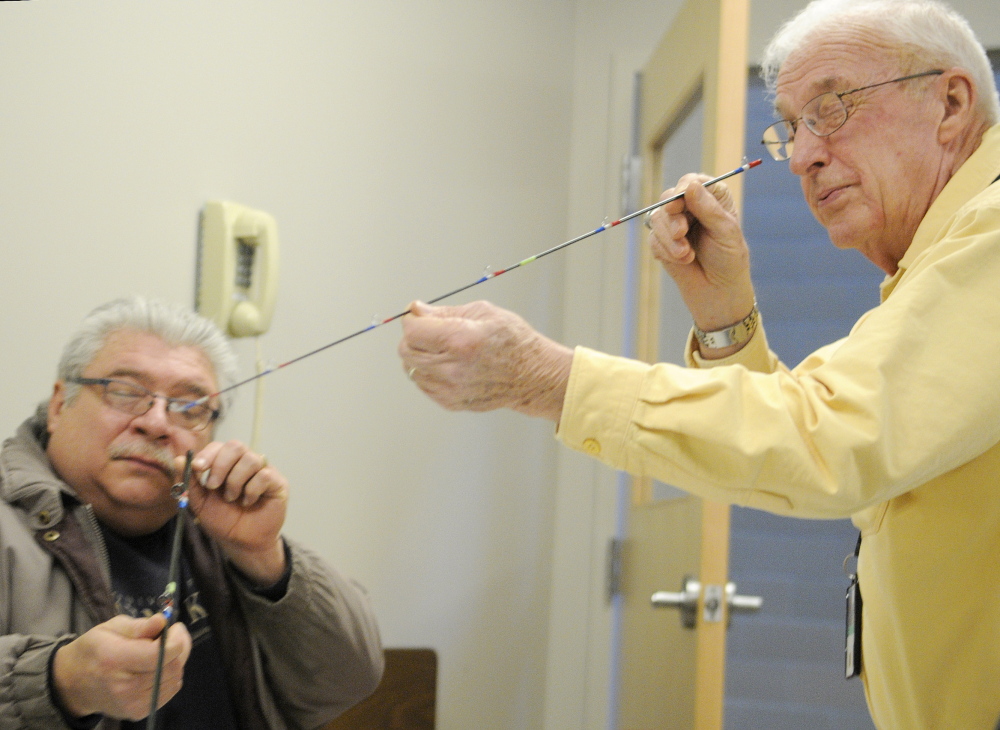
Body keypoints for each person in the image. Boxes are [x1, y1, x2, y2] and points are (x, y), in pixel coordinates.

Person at [397, 0, 1000, 726]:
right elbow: (795, 449)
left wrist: (548, 379)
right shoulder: (938, 264)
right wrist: (724, 318)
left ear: (951, 101)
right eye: (792, 125)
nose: (804, 154)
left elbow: (829, 441)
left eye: (832, 107)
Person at [0, 296, 383, 729]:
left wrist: (261, 554)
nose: (157, 423)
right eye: (125, 393)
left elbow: (349, 680)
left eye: (189, 408)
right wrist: (59, 682)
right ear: (58, 405)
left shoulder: (221, 530)